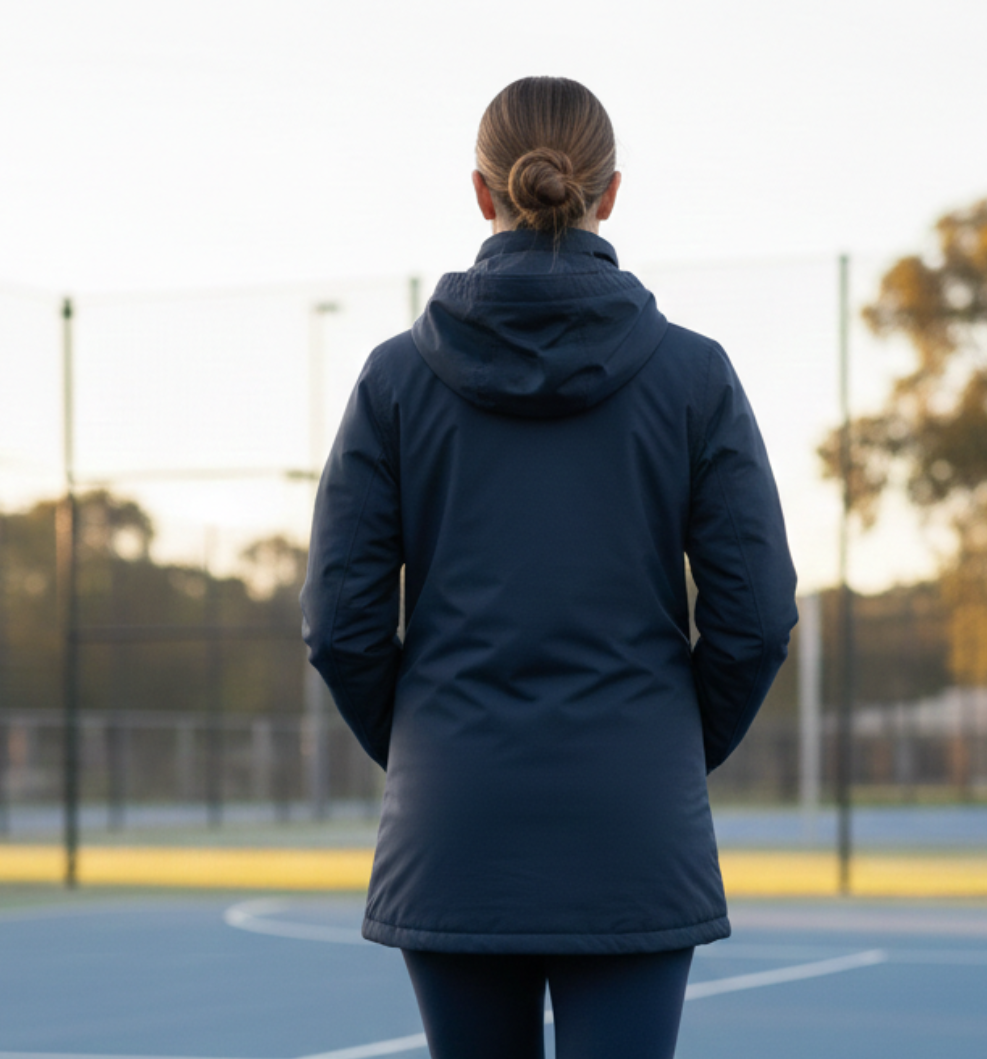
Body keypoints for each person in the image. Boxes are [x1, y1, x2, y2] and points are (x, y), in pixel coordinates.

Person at [301, 77, 798, 1059]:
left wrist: (429, 747)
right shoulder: (696, 376)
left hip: (455, 817)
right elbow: (757, 617)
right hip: (632, 817)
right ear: (610, 192)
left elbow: (340, 626)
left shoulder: (395, 378)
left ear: (481, 194)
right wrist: (663, 750)